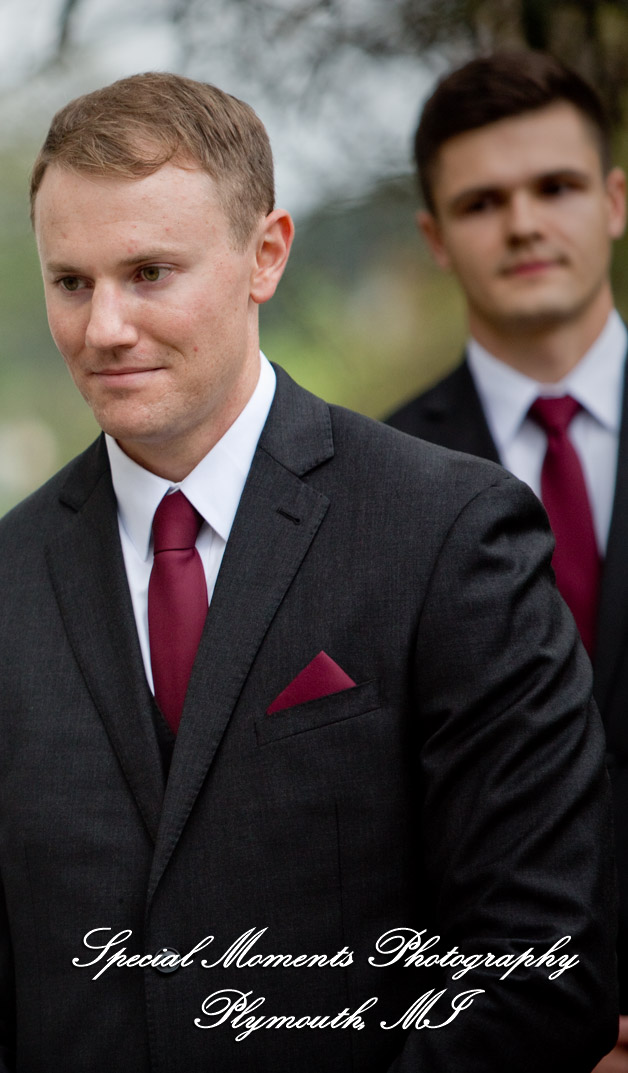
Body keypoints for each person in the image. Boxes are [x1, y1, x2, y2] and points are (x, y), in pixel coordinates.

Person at [0, 72, 618, 1071]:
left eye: (149, 272)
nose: (103, 328)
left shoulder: (447, 532)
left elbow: (536, 961)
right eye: (71, 282)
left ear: (265, 255)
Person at [385, 52, 628, 1069]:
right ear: (436, 238)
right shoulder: (373, 486)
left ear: (615, 201)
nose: (523, 223)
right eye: (482, 202)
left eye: (556, 187)